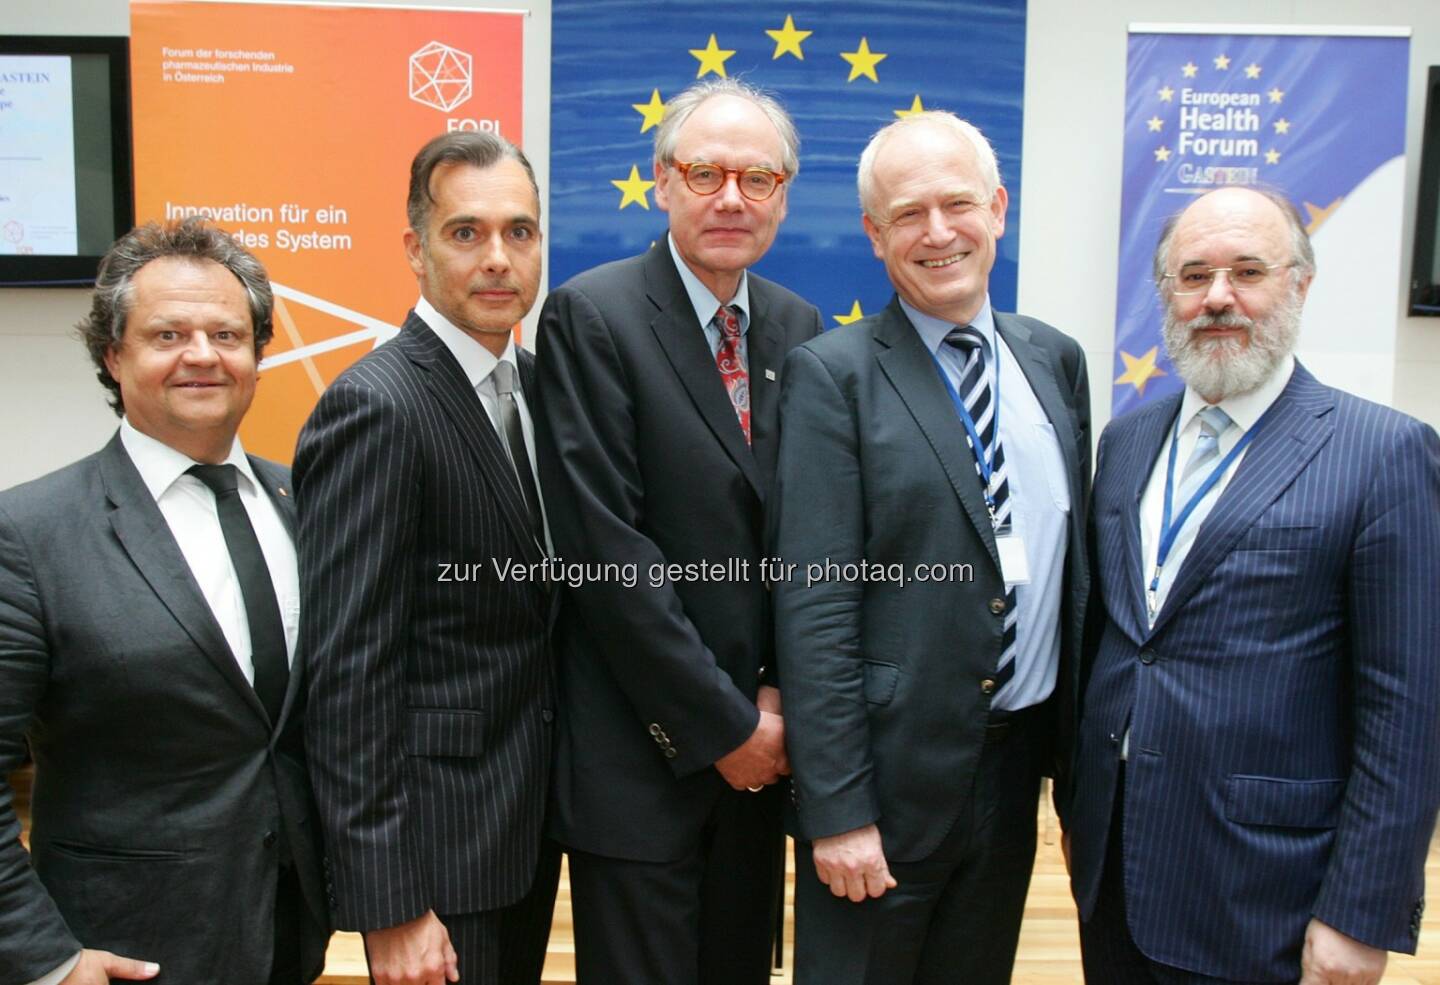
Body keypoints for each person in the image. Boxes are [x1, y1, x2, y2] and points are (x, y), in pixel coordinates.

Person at [1067, 186, 1440, 985]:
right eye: (1193, 275)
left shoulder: (1384, 452)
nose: (1218, 298)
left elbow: (1407, 709)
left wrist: (1360, 910)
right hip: (1113, 869)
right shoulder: (1127, 441)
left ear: (1300, 283)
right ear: (1167, 293)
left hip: (1267, 885)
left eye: (1248, 271)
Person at [771, 111, 1092, 985]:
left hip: (1015, 765)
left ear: (999, 207)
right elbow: (815, 603)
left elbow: (1069, 578)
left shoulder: (1055, 360)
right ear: (875, 236)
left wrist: (1072, 775)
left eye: (959, 204)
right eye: (909, 213)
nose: (939, 232)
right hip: (886, 781)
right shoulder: (832, 375)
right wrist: (836, 809)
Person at [532, 78, 822, 985]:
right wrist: (722, 725)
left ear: (783, 195)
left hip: (762, 765)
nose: (731, 197)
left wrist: (773, 697)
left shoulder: (797, 326)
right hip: (646, 763)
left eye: (758, 178)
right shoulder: (593, 314)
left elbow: (803, 538)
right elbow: (607, 552)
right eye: (705, 173)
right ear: (662, 181)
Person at [0, 218, 330, 985]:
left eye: (227, 332)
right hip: (118, 952)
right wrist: (45, 959)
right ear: (113, 356)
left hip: (290, 933)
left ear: (258, 354)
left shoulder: (310, 504)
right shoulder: (28, 533)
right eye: (168, 334)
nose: (203, 355)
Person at [294, 131, 559, 985]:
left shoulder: (538, 387)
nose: (498, 258)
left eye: (519, 232)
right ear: (415, 247)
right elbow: (347, 671)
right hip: (435, 852)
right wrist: (390, 901)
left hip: (522, 825)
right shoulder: (376, 407)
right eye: (466, 232)